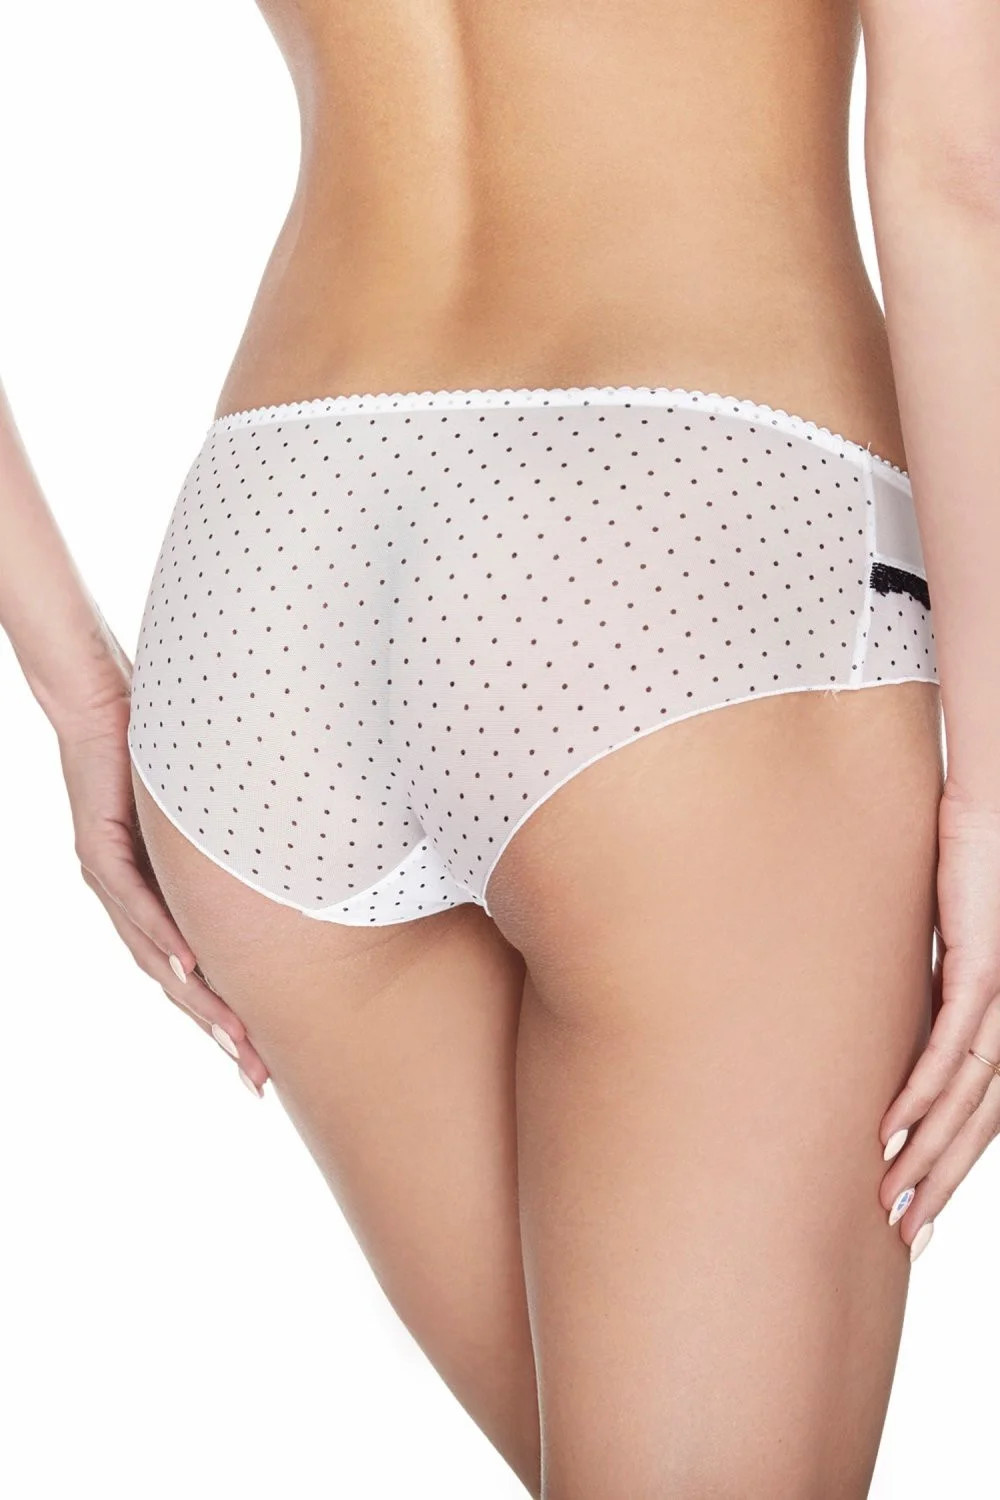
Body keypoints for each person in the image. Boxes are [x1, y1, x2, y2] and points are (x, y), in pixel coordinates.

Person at [3, 2, 999, 1495]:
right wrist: (990, 797)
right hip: (686, 539)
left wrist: (77, 689)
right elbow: (954, 180)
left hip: (274, 573)